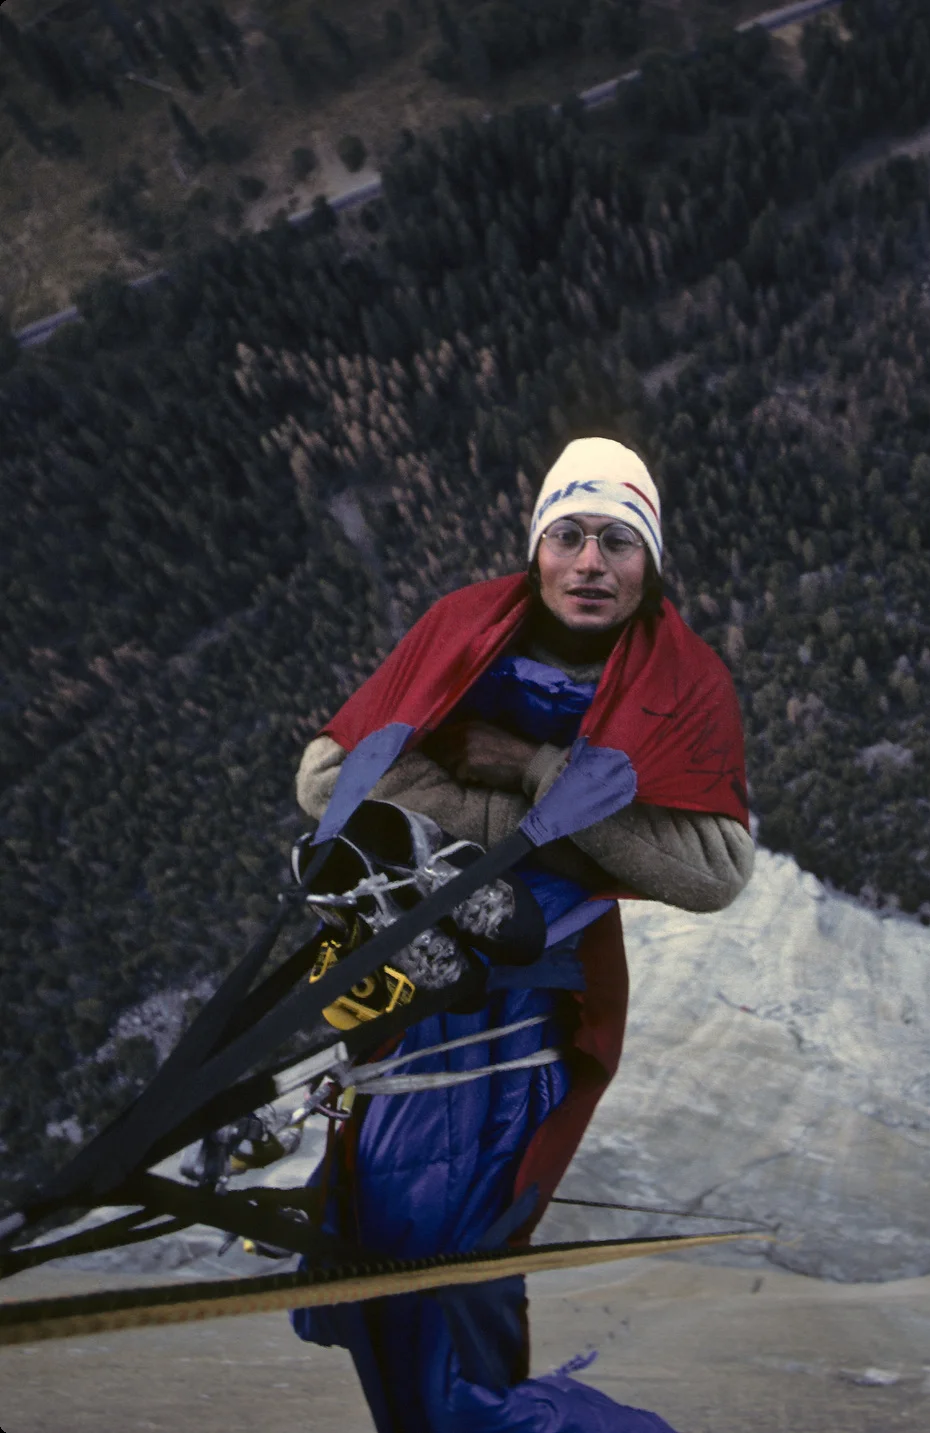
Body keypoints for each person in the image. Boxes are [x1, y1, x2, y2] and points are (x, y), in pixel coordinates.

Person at [289, 436, 754, 1432]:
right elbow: (327, 778)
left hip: (529, 1004)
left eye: (620, 541)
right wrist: (543, 826)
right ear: (539, 546)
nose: (593, 561)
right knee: (389, 1261)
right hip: (412, 987)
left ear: (650, 561)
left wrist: (530, 763)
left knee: (443, 1280)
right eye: (572, 534)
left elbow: (714, 868)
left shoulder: (684, 682)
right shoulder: (464, 625)